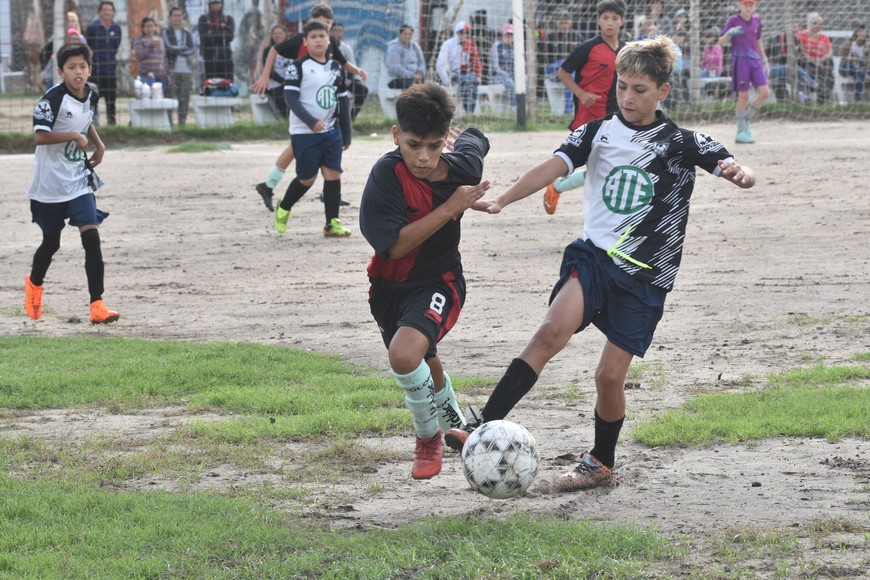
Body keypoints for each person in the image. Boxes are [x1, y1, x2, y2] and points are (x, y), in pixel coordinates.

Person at [446, 36, 756, 493]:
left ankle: (600, 462)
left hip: (646, 275)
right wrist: (503, 199)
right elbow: (553, 167)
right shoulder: (596, 132)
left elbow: (732, 164)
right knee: (550, 332)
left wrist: (741, 173)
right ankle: (481, 426)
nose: (627, 97)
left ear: (663, 91)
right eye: (622, 87)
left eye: (640, 90)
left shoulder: (681, 142)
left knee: (608, 377)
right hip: (594, 258)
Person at [359, 83, 491, 480]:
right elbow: (395, 247)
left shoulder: (463, 169)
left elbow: (476, 140)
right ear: (396, 135)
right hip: (389, 288)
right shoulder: (386, 176)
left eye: (434, 146)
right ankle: (459, 427)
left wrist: (466, 141)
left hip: (440, 281)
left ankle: (428, 438)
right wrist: (452, 207)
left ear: (445, 139)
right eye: (413, 144)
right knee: (424, 360)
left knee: (404, 355)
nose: (423, 157)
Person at [24, 43, 119, 325]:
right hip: (50, 185)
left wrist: (99, 144)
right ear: (61, 71)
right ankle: (34, 285)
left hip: (78, 180)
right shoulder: (51, 99)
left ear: (90, 69)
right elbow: (40, 136)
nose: (78, 72)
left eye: (82, 67)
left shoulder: (91, 94)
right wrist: (72, 136)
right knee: (51, 243)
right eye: (71, 67)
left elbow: (85, 121)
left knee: (91, 238)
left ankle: (97, 305)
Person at [250, 2, 366, 212]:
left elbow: (342, 62)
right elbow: (275, 49)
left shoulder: (329, 43)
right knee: (298, 152)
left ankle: (273, 186)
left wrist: (357, 71)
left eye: (328, 23)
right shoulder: (303, 41)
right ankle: (271, 187)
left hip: (321, 108)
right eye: (322, 22)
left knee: (304, 150)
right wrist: (265, 75)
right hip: (304, 103)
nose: (325, 26)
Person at [544, 0, 627, 216]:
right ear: (598, 21)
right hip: (588, 117)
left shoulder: (627, 50)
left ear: (622, 21)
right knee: (600, 169)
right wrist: (581, 94)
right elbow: (563, 72)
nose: (610, 23)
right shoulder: (587, 48)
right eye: (605, 18)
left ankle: (559, 188)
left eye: (614, 18)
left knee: (607, 168)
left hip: (616, 117)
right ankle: (558, 187)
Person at [273, 20, 352, 238]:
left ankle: (331, 223)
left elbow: (343, 101)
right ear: (305, 42)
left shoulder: (336, 68)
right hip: (304, 132)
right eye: (313, 36)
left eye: (322, 36)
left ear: (329, 40)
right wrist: (310, 121)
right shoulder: (297, 67)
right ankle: (284, 206)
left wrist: (347, 134)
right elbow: (290, 98)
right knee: (307, 179)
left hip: (332, 131)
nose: (318, 40)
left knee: (333, 174)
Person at [719, 0, 770, 144]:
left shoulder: (757, 20)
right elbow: (721, 41)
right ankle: (741, 132)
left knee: (765, 93)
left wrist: (764, 58)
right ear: (740, 5)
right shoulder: (733, 20)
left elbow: (758, 40)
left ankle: (746, 118)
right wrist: (730, 33)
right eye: (745, 4)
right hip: (741, 61)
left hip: (755, 61)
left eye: (751, 5)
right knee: (743, 96)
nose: (748, 7)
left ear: (755, 6)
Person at [85, 1, 121, 125]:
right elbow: (88, 46)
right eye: (104, 10)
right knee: (93, 96)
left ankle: (111, 123)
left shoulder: (116, 28)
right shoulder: (92, 28)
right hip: (96, 69)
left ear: (113, 12)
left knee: (111, 98)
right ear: (100, 12)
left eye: (109, 10)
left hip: (111, 69)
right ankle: (92, 123)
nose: (106, 12)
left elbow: (116, 46)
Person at [436, 21, 482, 114]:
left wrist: (478, 75)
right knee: (465, 80)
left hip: (466, 73)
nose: (465, 35)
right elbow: (439, 65)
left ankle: (471, 111)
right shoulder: (448, 44)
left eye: (467, 32)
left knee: (473, 80)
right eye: (462, 32)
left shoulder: (470, 44)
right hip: (452, 74)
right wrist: (447, 81)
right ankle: (468, 111)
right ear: (456, 33)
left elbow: (476, 61)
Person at [162, 6, 196, 127]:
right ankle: (169, 124)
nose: (177, 18)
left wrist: (179, 50)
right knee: (170, 98)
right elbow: (168, 48)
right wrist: (183, 49)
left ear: (183, 17)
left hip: (186, 70)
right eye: (175, 15)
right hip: (171, 70)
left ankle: (182, 124)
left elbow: (192, 49)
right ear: (170, 17)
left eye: (179, 15)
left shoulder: (186, 33)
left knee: (184, 98)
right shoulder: (165, 32)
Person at [331, 22, 368, 121]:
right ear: (330, 32)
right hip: (329, 79)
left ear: (343, 33)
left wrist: (350, 79)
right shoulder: (327, 47)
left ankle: (351, 117)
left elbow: (351, 65)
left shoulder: (346, 48)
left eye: (340, 31)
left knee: (362, 90)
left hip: (345, 79)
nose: (337, 33)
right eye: (335, 30)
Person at [796, 13, 834, 104]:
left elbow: (830, 51)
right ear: (809, 24)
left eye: (820, 24)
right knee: (810, 73)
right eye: (814, 23)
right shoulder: (801, 35)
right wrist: (814, 61)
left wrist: (822, 59)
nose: (817, 25)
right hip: (807, 61)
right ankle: (808, 98)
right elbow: (800, 51)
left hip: (822, 61)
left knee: (829, 76)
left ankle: (823, 99)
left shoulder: (825, 37)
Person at [259, 24, 291, 120]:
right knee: (281, 101)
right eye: (275, 33)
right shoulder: (268, 50)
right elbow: (268, 71)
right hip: (276, 84)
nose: (277, 35)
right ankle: (284, 120)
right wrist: (283, 81)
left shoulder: (291, 48)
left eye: (280, 33)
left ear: (285, 34)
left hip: (291, 82)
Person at [198, 0, 235, 82]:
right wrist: (222, 32)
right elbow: (204, 37)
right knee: (210, 83)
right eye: (213, 3)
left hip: (225, 57)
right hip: (209, 58)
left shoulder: (228, 19)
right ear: (210, 4)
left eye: (217, 3)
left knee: (226, 83)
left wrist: (212, 33)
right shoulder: (203, 19)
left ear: (221, 4)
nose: (215, 5)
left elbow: (230, 36)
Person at [133, 17, 168, 95]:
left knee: (160, 98)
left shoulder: (160, 39)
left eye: (152, 26)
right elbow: (139, 56)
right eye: (147, 26)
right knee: (147, 97)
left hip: (161, 75)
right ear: (143, 28)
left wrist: (167, 73)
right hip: (146, 75)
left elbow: (164, 57)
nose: (150, 29)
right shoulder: (139, 40)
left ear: (155, 27)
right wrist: (151, 46)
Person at [385, 24, 426, 89]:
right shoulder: (394, 47)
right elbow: (395, 68)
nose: (407, 36)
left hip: (415, 77)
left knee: (427, 87)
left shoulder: (415, 46)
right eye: (405, 34)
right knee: (414, 88)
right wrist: (412, 75)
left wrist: (420, 73)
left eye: (410, 34)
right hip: (398, 78)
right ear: (400, 34)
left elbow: (421, 63)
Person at [490, 24, 517, 108]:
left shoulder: (514, 48)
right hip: (497, 77)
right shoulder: (497, 46)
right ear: (503, 35)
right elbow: (496, 67)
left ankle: (524, 105)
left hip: (511, 75)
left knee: (525, 80)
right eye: (507, 35)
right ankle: (514, 107)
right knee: (509, 82)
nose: (509, 37)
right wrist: (508, 75)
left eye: (511, 35)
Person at [838, 23, 866, 102]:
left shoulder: (867, 45)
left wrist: (862, 67)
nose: (862, 33)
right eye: (859, 31)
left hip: (858, 70)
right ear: (856, 33)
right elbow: (843, 59)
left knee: (859, 78)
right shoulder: (850, 43)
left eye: (863, 31)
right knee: (850, 65)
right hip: (845, 68)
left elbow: (867, 63)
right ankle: (865, 75)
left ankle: (857, 99)